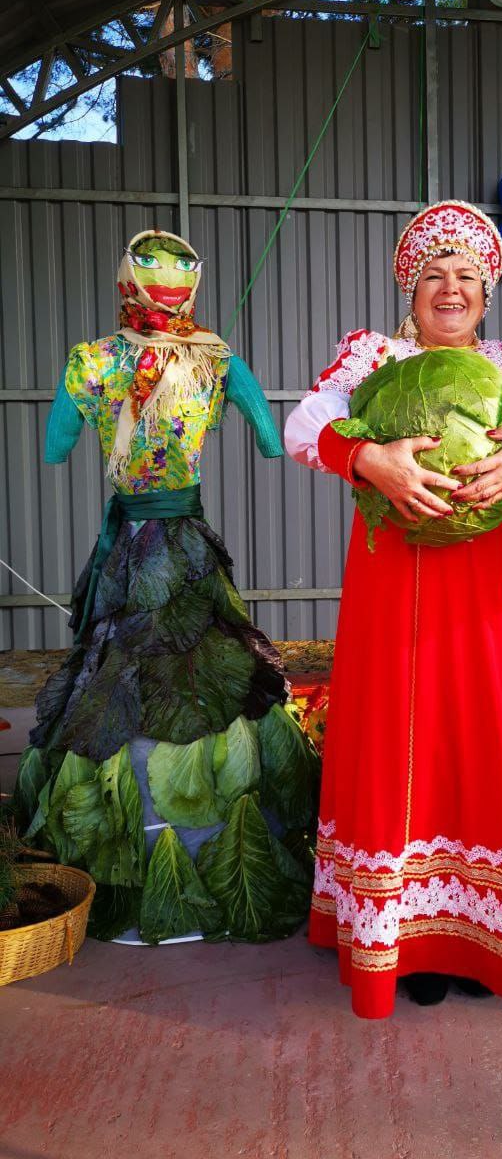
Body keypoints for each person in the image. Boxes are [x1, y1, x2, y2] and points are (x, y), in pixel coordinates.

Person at [285, 199, 502, 1018]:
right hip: (398, 584)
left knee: (491, 723)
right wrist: (367, 458)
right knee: (404, 730)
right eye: (433, 275)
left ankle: (491, 931)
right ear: (409, 289)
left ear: (488, 296)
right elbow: (302, 426)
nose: (450, 289)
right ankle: (411, 936)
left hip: (498, 583)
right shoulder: (373, 355)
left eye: (467, 277)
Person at [17, 229, 319, 945]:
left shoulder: (93, 362)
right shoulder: (214, 358)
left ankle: (129, 849)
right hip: (184, 541)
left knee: (118, 671)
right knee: (204, 670)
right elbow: (271, 439)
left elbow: (58, 447)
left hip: (129, 543)